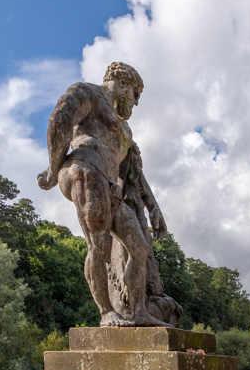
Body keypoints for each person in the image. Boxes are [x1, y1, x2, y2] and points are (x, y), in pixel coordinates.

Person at [38, 62, 178, 327]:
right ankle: (106, 312)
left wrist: (153, 207)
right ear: (123, 83)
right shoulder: (88, 93)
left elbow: (132, 172)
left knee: (139, 249)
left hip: (110, 186)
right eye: (136, 95)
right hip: (85, 169)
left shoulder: (125, 132)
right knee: (98, 246)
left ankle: (138, 312)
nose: (135, 104)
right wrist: (52, 170)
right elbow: (59, 121)